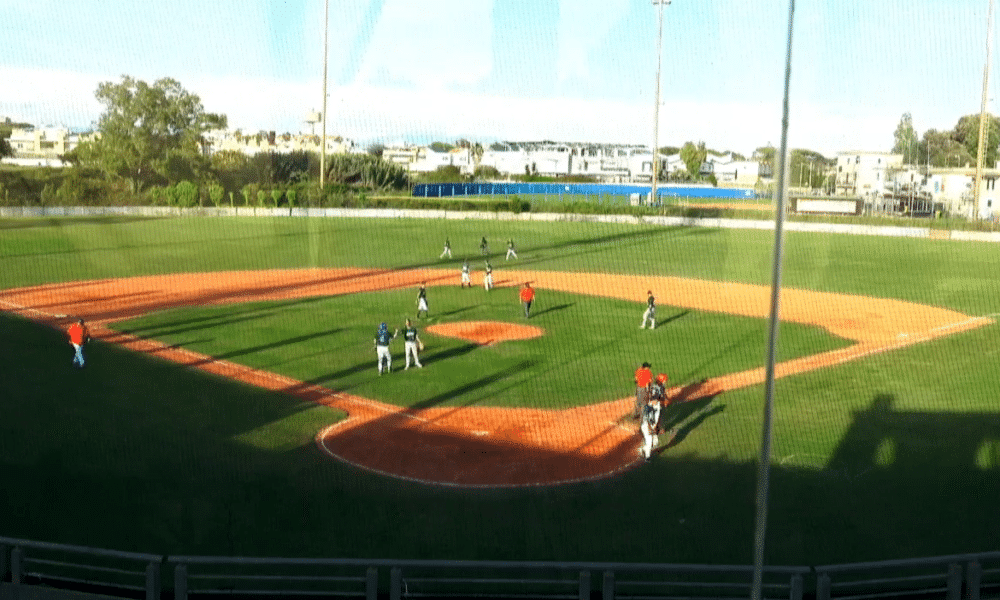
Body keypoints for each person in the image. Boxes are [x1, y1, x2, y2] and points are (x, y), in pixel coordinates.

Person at [639, 393, 663, 461]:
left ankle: (643, 449)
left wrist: (657, 427)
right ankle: (647, 457)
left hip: (652, 426)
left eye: (657, 400)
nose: (656, 402)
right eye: (655, 400)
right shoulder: (647, 408)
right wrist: (650, 429)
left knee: (655, 442)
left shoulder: (657, 406)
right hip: (646, 426)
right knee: (649, 441)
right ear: (651, 400)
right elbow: (646, 420)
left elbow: (657, 418)